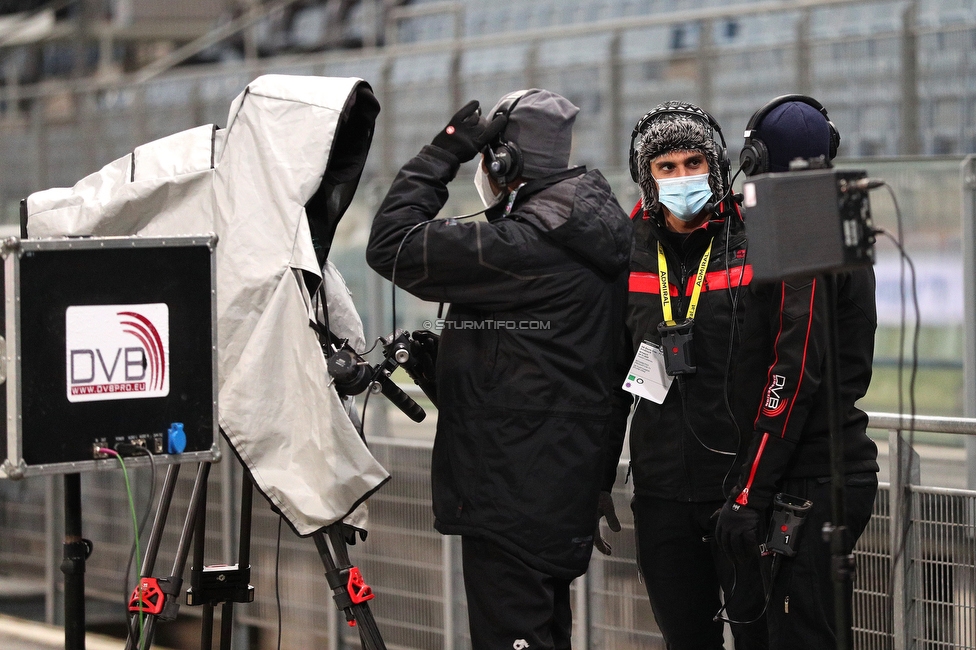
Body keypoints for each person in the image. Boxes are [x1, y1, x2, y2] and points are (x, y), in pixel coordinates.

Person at [365, 89, 632, 649]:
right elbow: (556, 369)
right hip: (557, 482)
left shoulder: (524, 243)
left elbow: (391, 243)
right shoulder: (587, 232)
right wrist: (452, 365)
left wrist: (445, 151)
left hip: (512, 494)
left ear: (502, 160)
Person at [715, 95, 880, 649]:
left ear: (756, 159)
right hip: (823, 470)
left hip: (812, 478)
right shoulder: (834, 212)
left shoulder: (805, 222)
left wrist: (750, 493)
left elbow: (794, 369)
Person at [605, 101, 767, 649]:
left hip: (746, 490)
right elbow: (607, 379)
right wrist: (598, 473)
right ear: (646, 177)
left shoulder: (754, 238)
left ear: (717, 165)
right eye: (666, 167)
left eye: (694, 162)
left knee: (760, 637)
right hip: (661, 493)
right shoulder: (623, 250)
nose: (682, 177)